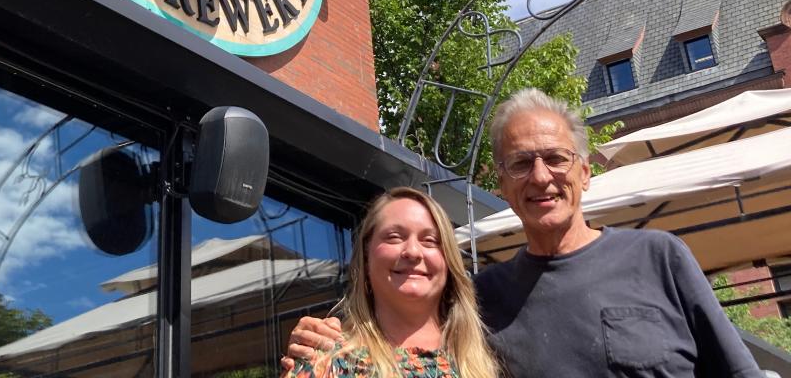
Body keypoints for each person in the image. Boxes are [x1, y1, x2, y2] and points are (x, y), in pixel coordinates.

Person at [284, 88, 762, 377]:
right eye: (520, 163)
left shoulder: (658, 257)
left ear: (584, 171)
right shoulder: (484, 301)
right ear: (501, 184)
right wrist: (322, 338)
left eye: (555, 158)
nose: (540, 177)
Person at [280, 186, 499, 378]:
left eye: (429, 240)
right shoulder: (328, 363)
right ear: (366, 258)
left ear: (449, 262)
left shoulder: (482, 365)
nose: (413, 252)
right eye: (394, 237)